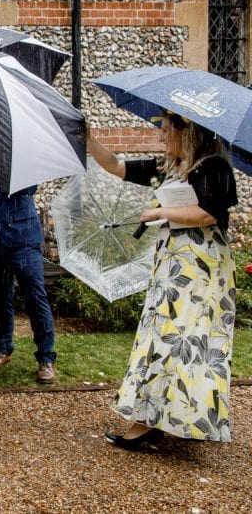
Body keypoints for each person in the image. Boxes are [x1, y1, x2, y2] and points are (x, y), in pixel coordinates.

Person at [89, 112, 238, 448]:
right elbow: (116, 166)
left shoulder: (215, 168)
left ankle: (171, 420)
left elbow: (208, 213)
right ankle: (155, 418)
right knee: (161, 339)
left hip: (201, 272)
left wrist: (160, 212)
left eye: (166, 131)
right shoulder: (169, 167)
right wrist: (88, 138)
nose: (160, 138)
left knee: (190, 342)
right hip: (171, 271)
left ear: (188, 133)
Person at [0, 187, 58, 384]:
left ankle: (46, 359)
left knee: (35, 298)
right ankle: (3, 349)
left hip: (23, 238)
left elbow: (29, 188)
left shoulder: (19, 159)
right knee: (0, 297)